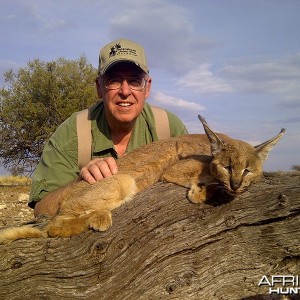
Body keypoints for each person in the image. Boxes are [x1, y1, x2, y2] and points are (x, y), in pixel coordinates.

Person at [28, 38, 188, 217]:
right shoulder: (72, 132)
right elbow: (41, 211)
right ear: (98, 87)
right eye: (114, 81)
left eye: (135, 81)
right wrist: (80, 182)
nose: (125, 91)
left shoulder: (169, 128)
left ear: (147, 87)